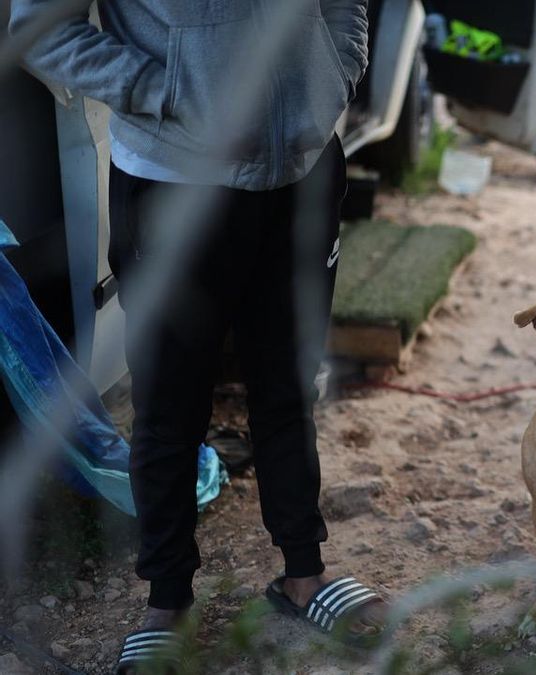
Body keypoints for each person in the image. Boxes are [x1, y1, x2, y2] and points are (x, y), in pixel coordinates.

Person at [8, 1, 387, 671]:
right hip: (171, 181)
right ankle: (168, 600)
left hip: (302, 169)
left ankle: (305, 572)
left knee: (289, 384)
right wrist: (166, 92)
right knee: (170, 406)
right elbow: (41, 28)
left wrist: (333, 73)